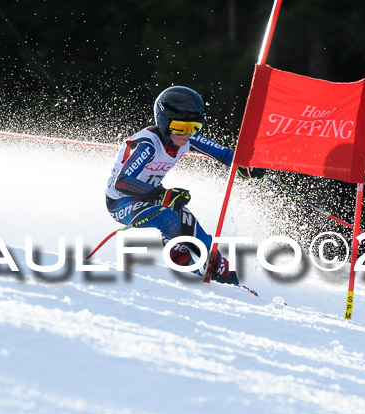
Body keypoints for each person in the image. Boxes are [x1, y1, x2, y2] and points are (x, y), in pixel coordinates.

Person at [106, 85, 264, 284]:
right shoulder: (148, 145)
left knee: (197, 233)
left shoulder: (185, 137)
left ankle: (228, 278)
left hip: (153, 197)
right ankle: (182, 260)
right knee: (169, 217)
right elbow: (122, 183)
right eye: (181, 127)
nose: (187, 134)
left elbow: (225, 155)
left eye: (194, 127)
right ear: (164, 122)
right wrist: (161, 195)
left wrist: (245, 165)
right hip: (121, 202)